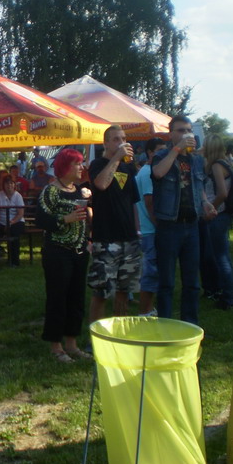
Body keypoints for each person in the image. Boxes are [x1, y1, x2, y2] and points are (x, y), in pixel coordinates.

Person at [151, 115, 217, 324]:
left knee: (192, 283)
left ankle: (190, 325)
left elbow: (198, 186)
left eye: (188, 130)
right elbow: (158, 173)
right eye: (181, 130)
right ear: (170, 134)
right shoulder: (162, 156)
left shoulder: (196, 160)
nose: (186, 134)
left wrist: (205, 203)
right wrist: (177, 149)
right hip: (169, 226)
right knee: (166, 282)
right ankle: (165, 326)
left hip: (192, 225)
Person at [36, 149, 92, 363]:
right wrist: (65, 219)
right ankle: (56, 346)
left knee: (76, 299)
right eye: (77, 164)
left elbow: (86, 218)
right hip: (57, 252)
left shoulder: (78, 190)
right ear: (66, 166)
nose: (81, 167)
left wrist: (88, 240)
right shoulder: (51, 191)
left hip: (79, 251)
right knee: (58, 298)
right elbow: (41, 220)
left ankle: (72, 343)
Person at [87, 124, 142, 324]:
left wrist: (137, 231)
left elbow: (133, 201)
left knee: (124, 291)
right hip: (106, 238)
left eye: (124, 138)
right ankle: (95, 336)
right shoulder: (97, 164)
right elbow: (101, 184)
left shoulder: (128, 167)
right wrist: (117, 158)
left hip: (129, 238)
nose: (122, 142)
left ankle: (120, 332)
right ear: (106, 143)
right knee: (101, 292)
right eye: (116, 139)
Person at [203, 133, 233, 310]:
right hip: (223, 214)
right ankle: (224, 292)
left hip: (219, 214)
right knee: (221, 255)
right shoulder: (226, 162)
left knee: (221, 257)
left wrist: (212, 208)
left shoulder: (216, 165)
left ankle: (228, 297)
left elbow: (222, 193)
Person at [135, 137, 167, 317]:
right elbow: (149, 202)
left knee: (153, 270)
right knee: (151, 272)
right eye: (160, 150)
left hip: (147, 228)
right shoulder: (147, 172)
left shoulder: (147, 171)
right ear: (150, 152)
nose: (163, 154)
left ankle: (149, 308)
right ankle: (145, 310)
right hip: (150, 229)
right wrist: (159, 225)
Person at [0, 176, 25, 266]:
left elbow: (20, 213)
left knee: (14, 232)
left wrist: (11, 222)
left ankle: (14, 261)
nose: (9, 185)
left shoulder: (18, 196)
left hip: (16, 221)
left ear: (14, 185)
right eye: (7, 183)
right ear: (3, 185)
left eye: (11, 183)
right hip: (1, 222)